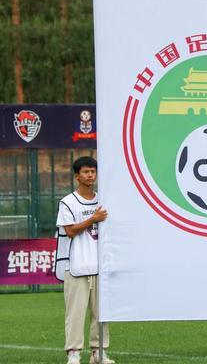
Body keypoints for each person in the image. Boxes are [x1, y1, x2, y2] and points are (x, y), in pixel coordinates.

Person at [55, 156, 115, 364]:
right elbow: (70, 230)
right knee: (75, 313)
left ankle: (99, 352)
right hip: (76, 266)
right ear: (77, 176)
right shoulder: (68, 202)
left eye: (93, 171)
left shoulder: (103, 200)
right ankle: (73, 352)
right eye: (86, 172)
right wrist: (92, 219)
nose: (90, 175)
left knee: (101, 314)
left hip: (100, 267)